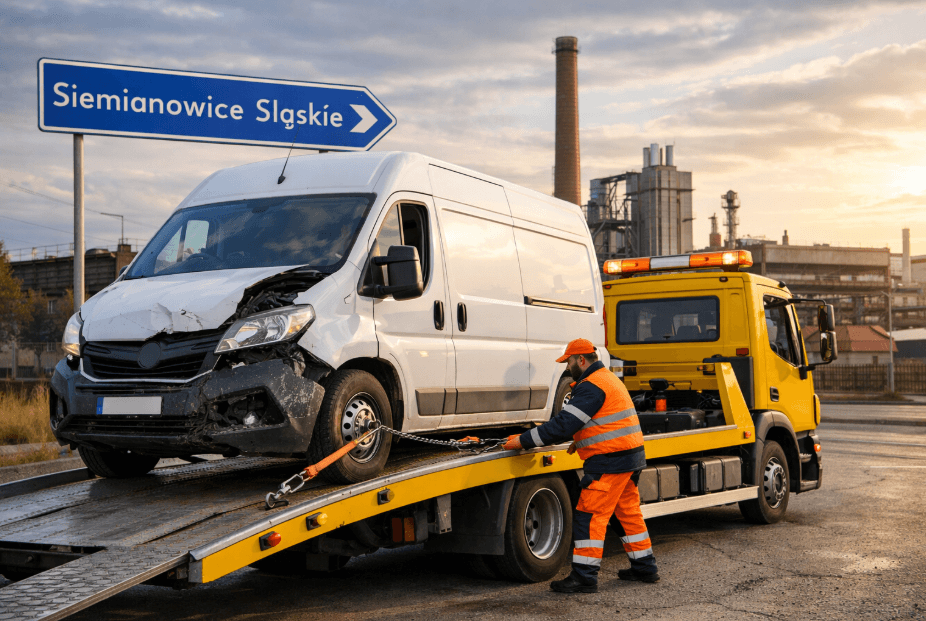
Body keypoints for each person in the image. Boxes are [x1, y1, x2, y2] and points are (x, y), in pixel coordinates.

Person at [503, 338, 659, 593]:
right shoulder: (607, 379)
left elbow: (563, 425)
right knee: (627, 513)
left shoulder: (590, 386)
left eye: (569, 362)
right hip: (628, 457)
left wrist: (523, 440)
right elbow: (603, 421)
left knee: (589, 517)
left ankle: (584, 577)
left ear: (581, 360)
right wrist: (582, 439)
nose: (567, 367)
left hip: (610, 460)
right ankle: (645, 568)